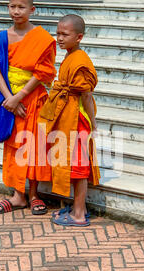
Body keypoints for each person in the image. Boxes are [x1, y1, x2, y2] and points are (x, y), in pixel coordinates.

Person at [0, 0, 56, 215]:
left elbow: (43, 73)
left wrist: (20, 96)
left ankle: (35, 194)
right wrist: (9, 98)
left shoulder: (42, 38)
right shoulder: (2, 38)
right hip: (9, 100)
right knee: (14, 146)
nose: (16, 11)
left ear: (32, 9)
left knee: (35, 146)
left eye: (21, 7)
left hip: (34, 99)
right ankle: (18, 195)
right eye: (12, 6)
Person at [38, 14, 100, 227]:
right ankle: (76, 208)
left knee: (79, 168)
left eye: (65, 34)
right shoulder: (71, 55)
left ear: (79, 37)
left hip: (78, 121)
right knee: (73, 166)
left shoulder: (81, 61)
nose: (60, 38)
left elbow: (87, 95)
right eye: (58, 34)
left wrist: (93, 122)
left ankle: (79, 214)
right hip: (68, 118)